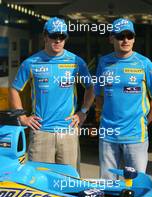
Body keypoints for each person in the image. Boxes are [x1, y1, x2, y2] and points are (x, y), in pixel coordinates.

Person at [9, 17, 94, 170]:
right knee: (39, 181)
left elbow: (91, 87)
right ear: (45, 37)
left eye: (62, 36)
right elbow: (14, 89)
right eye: (54, 36)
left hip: (67, 131)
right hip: (41, 132)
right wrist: (22, 117)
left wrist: (83, 112)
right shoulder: (31, 62)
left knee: (69, 182)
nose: (57, 40)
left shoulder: (76, 61)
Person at [95, 18, 152, 179]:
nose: (125, 40)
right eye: (120, 36)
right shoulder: (104, 62)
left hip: (135, 136)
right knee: (107, 185)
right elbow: (99, 95)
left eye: (129, 36)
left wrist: (144, 122)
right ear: (111, 38)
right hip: (108, 135)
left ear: (134, 38)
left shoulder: (144, 63)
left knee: (136, 185)